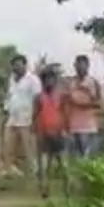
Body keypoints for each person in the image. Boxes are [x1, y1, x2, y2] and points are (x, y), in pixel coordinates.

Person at [0, 55, 41, 184]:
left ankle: (35, 172)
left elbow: (38, 99)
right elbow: (10, 96)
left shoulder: (32, 79)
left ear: (24, 65)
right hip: (12, 117)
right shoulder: (12, 79)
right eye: (14, 65)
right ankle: (8, 171)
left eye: (18, 64)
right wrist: (6, 110)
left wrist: (35, 117)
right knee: (8, 146)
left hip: (27, 118)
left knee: (28, 148)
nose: (16, 67)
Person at [33, 68, 69, 199]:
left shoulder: (61, 96)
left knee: (63, 164)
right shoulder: (38, 97)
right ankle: (45, 189)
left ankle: (67, 190)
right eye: (46, 79)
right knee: (44, 164)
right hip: (44, 134)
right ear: (43, 82)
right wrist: (36, 132)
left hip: (58, 133)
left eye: (52, 79)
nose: (49, 82)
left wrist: (65, 130)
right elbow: (35, 115)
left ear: (55, 81)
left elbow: (65, 114)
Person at [65, 54, 103, 158]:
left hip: (88, 127)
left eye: (82, 65)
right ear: (74, 66)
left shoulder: (93, 82)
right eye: (78, 65)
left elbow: (99, 104)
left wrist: (82, 105)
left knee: (87, 158)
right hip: (73, 126)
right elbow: (67, 102)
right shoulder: (71, 82)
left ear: (88, 66)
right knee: (74, 158)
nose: (80, 67)